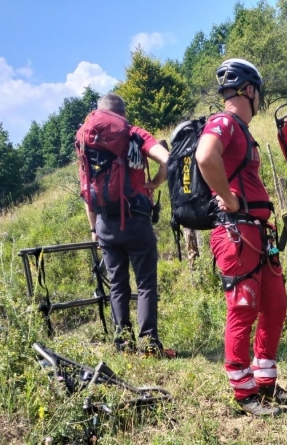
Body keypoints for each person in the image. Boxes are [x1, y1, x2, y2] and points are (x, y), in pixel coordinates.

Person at [195, 58, 287, 416]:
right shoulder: (223, 122)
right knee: (242, 309)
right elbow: (205, 155)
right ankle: (244, 393)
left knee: (275, 304)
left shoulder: (240, 129)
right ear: (250, 91)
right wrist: (229, 196)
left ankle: (265, 383)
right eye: (259, 94)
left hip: (257, 234)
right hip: (236, 233)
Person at [84, 93, 175, 359]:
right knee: (145, 283)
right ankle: (149, 347)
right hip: (135, 219)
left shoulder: (87, 141)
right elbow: (167, 159)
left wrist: (93, 229)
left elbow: (86, 188)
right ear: (123, 114)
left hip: (103, 222)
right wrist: (155, 183)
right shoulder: (133, 133)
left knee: (117, 285)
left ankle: (123, 346)